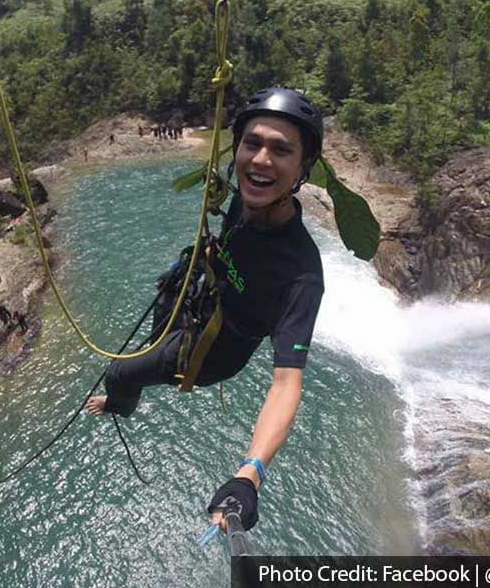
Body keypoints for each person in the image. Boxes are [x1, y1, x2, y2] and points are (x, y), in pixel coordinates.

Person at [86, 87, 325, 535]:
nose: (260, 160)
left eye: (281, 150)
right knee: (162, 300)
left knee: (119, 371)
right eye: (252, 144)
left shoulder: (300, 275)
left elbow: (287, 383)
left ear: (302, 169)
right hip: (203, 299)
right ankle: (145, 358)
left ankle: (120, 404)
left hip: (212, 351)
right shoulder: (243, 199)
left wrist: (249, 473)